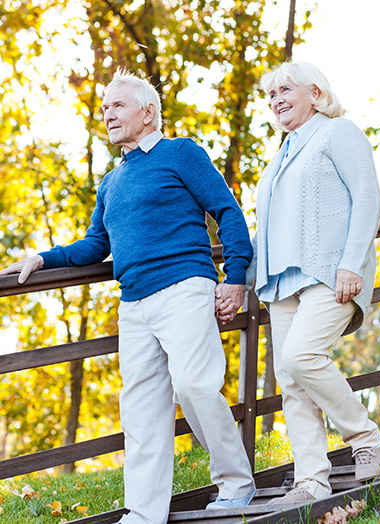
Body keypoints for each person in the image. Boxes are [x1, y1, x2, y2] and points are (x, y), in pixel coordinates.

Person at [0, 70, 256, 522]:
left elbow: (227, 211)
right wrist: (43, 258)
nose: (108, 114)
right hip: (134, 303)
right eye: (103, 109)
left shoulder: (181, 153)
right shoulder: (111, 182)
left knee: (196, 385)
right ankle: (143, 512)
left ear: (148, 111)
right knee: (140, 409)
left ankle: (236, 484)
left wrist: (236, 276)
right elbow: (95, 245)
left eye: (117, 105)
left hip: (183, 286)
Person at [247, 61, 380, 510]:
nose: (277, 100)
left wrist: (351, 263)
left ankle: (365, 437)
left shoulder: (337, 133)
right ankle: (312, 479)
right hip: (281, 281)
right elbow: (266, 229)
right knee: (291, 380)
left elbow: (367, 195)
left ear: (316, 93)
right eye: (271, 95)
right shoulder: (282, 154)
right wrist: (239, 281)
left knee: (301, 356)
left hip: (330, 273)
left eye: (285, 90)